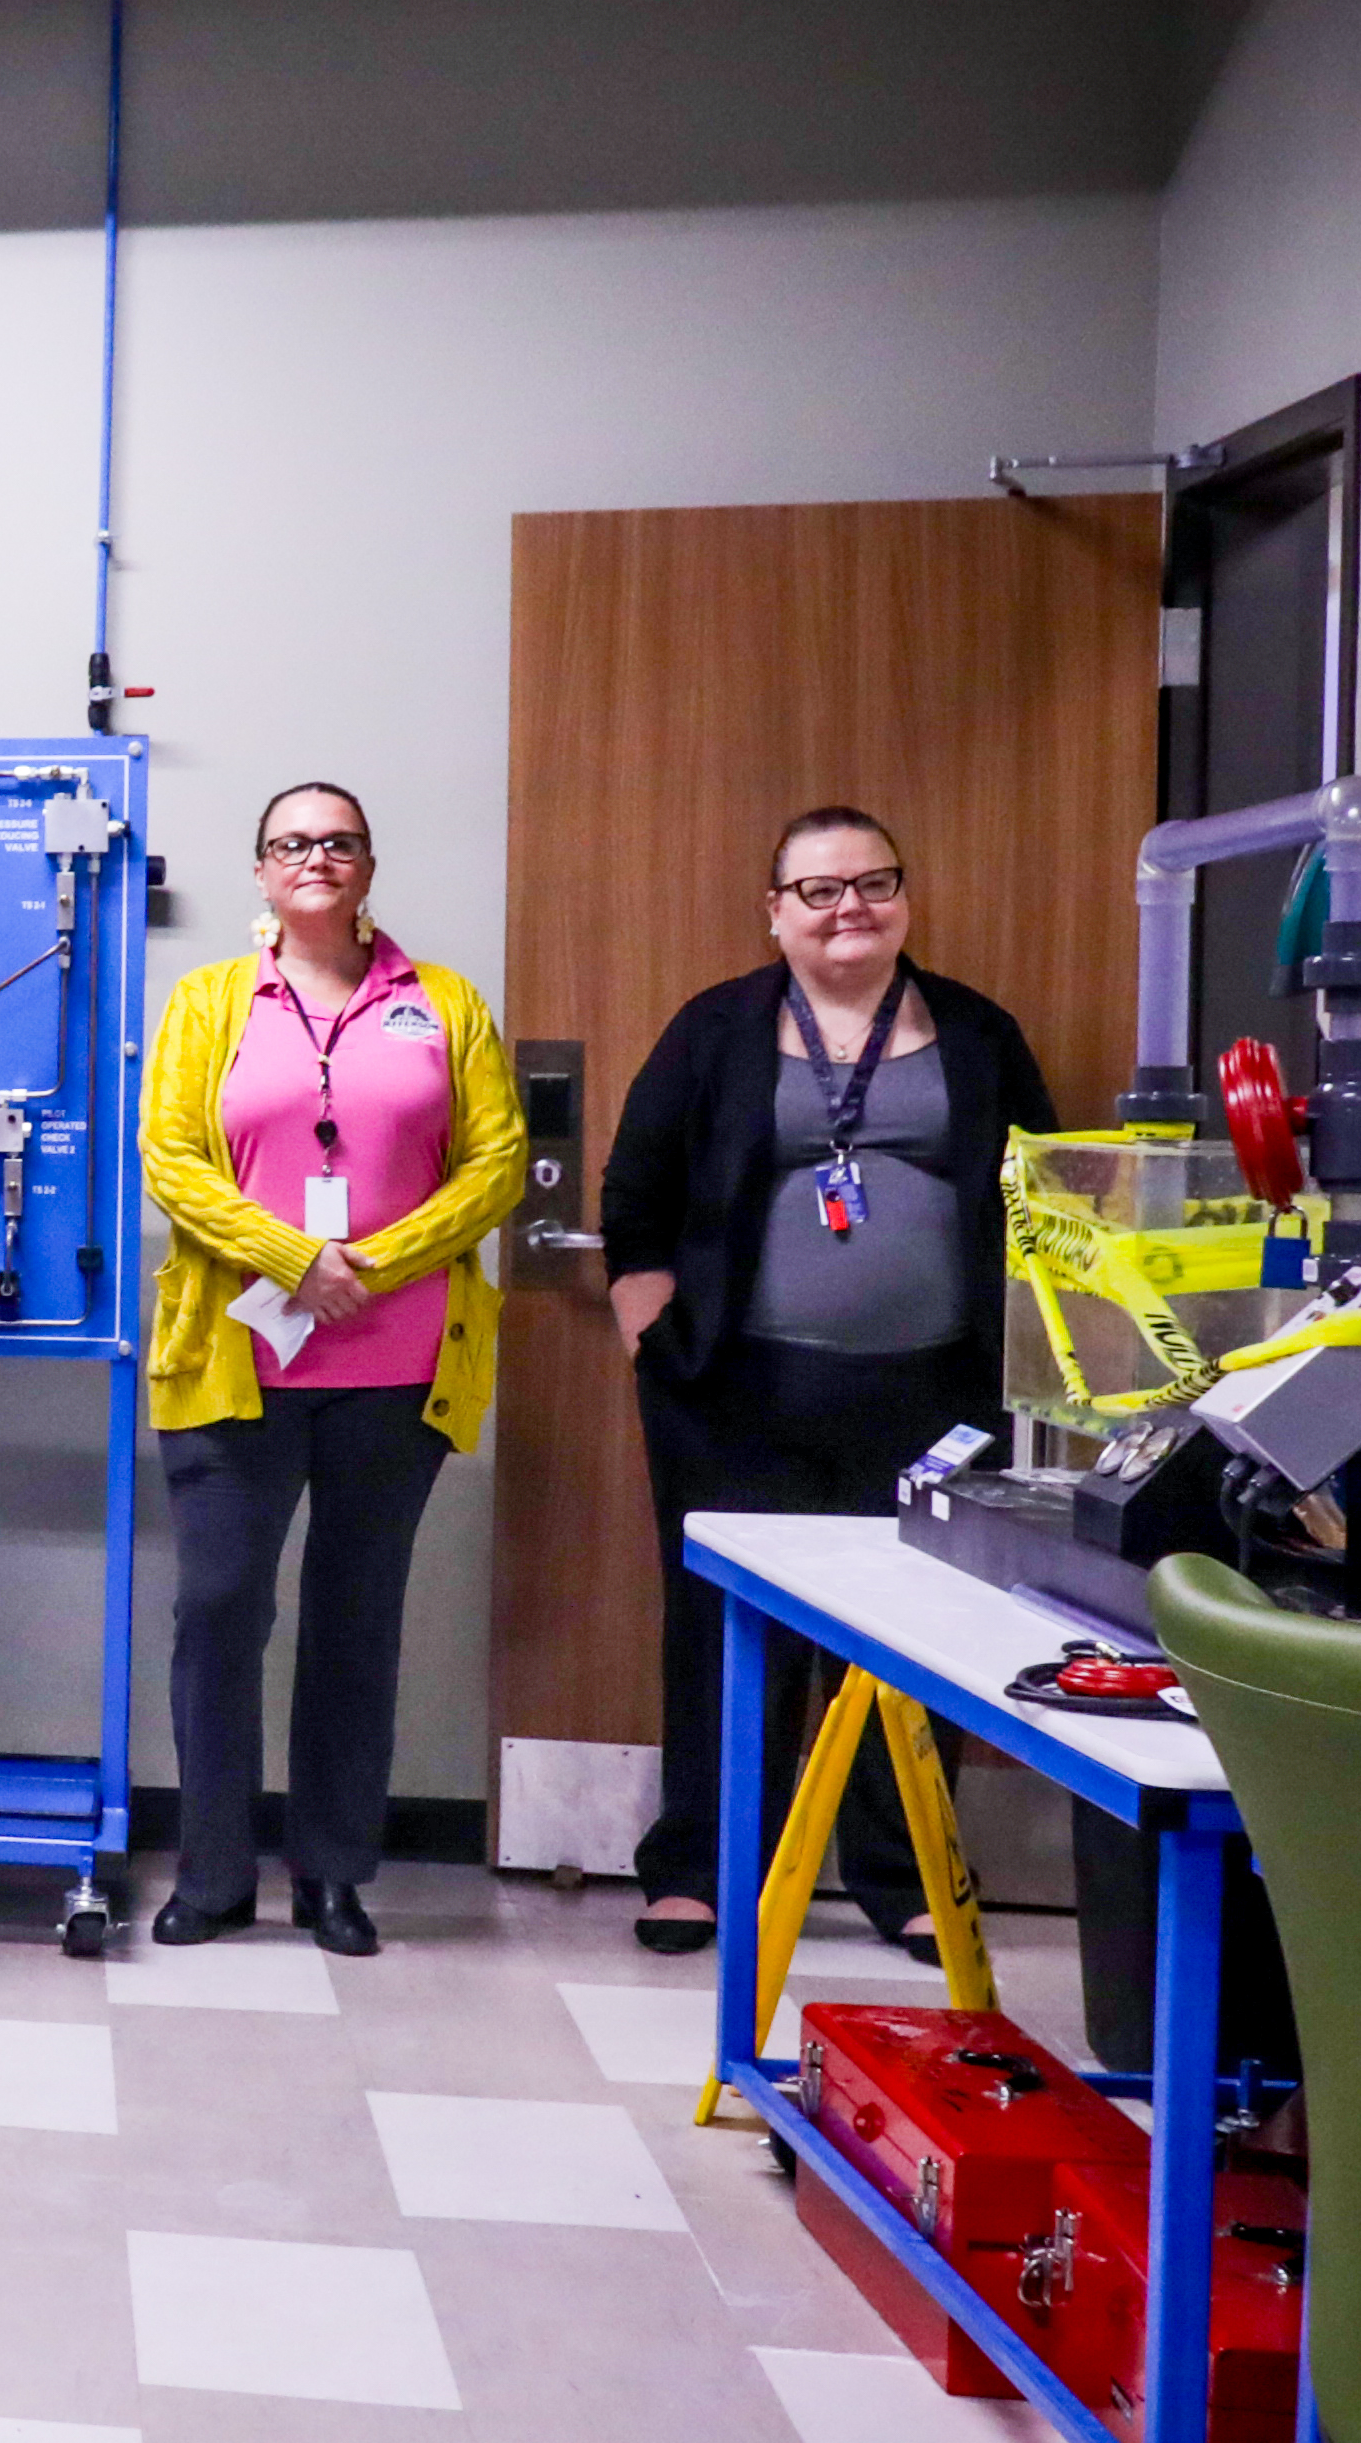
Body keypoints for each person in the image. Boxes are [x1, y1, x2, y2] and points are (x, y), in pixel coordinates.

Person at [596, 802, 1059, 1958]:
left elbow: (1047, 1200)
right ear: (775, 912)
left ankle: (901, 1874)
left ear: (903, 897)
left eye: (873, 883)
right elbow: (635, 1190)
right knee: (722, 1628)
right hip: (734, 1395)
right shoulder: (718, 1029)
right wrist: (650, 1335)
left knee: (909, 1638)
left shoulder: (976, 1032)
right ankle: (703, 1865)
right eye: (820, 889)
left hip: (933, 1400)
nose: (850, 907)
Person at [138, 785, 529, 1957]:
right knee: (218, 1617)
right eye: (292, 843)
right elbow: (172, 1153)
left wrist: (373, 1262)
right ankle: (210, 1873)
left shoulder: (444, 1003)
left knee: (357, 1622)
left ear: (368, 867)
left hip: (397, 1370)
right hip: (234, 1365)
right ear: (261, 872)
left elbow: (498, 1163)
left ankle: (333, 1875)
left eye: (339, 841)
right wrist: (292, 1257)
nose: (316, 857)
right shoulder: (209, 1002)